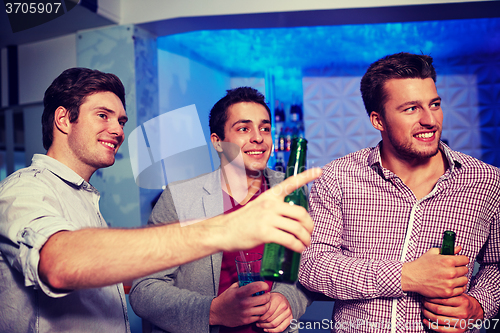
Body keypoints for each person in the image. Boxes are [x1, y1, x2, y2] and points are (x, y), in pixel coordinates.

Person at [0, 68, 321, 333]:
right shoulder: (24, 190)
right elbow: (61, 264)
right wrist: (224, 238)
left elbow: (312, 267)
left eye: (121, 121)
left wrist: (288, 300)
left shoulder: (84, 198)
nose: (117, 130)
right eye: (103, 115)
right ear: (63, 119)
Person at [299, 53, 499, 333]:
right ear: (378, 120)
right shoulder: (338, 177)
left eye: (435, 104)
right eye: (411, 109)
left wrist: (480, 304)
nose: (430, 120)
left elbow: (497, 265)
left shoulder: (487, 181)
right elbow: (312, 266)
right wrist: (406, 276)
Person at [129, 87, 314, 333]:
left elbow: (311, 267)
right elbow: (144, 288)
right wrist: (212, 311)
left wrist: (288, 299)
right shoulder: (179, 198)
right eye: (243, 128)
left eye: (265, 128)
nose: (258, 137)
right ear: (218, 141)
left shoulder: (291, 191)